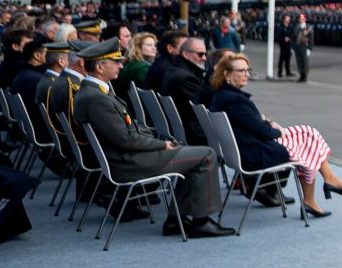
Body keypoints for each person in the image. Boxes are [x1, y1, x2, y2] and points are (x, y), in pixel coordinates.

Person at [71, 41, 232, 238]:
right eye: (116, 62)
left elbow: (127, 131)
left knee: (192, 154)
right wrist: (162, 144)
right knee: (206, 155)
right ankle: (201, 220)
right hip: (128, 161)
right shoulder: (96, 98)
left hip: (127, 156)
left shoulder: (94, 92)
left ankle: (177, 219)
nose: (121, 66)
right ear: (100, 66)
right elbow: (125, 139)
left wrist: (157, 137)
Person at [207, 52, 342, 217]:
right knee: (307, 147)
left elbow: (251, 124)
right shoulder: (234, 100)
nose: (246, 74)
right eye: (241, 71)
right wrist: (275, 128)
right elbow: (263, 132)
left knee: (309, 134)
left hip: (245, 148)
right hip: (254, 153)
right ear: (226, 73)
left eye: (248, 70)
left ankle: (327, 182)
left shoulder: (223, 95)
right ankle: (315, 197)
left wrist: (267, 123)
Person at [292, 14, 312, 82]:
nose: (301, 19)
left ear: (305, 19)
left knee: (305, 62)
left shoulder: (308, 27)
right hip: (297, 47)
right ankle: (301, 75)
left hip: (304, 47)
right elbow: (293, 37)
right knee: (299, 62)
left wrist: (309, 49)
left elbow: (311, 39)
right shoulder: (296, 27)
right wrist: (292, 47)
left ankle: (305, 76)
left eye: (302, 18)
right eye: (300, 18)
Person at [277, 14, 293, 78]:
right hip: (283, 45)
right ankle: (280, 72)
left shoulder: (290, 27)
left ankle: (288, 72)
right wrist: (283, 39)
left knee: (288, 59)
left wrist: (290, 38)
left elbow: (292, 34)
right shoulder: (281, 27)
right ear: (284, 19)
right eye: (287, 19)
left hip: (289, 45)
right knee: (282, 59)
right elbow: (277, 36)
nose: (288, 20)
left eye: (289, 19)